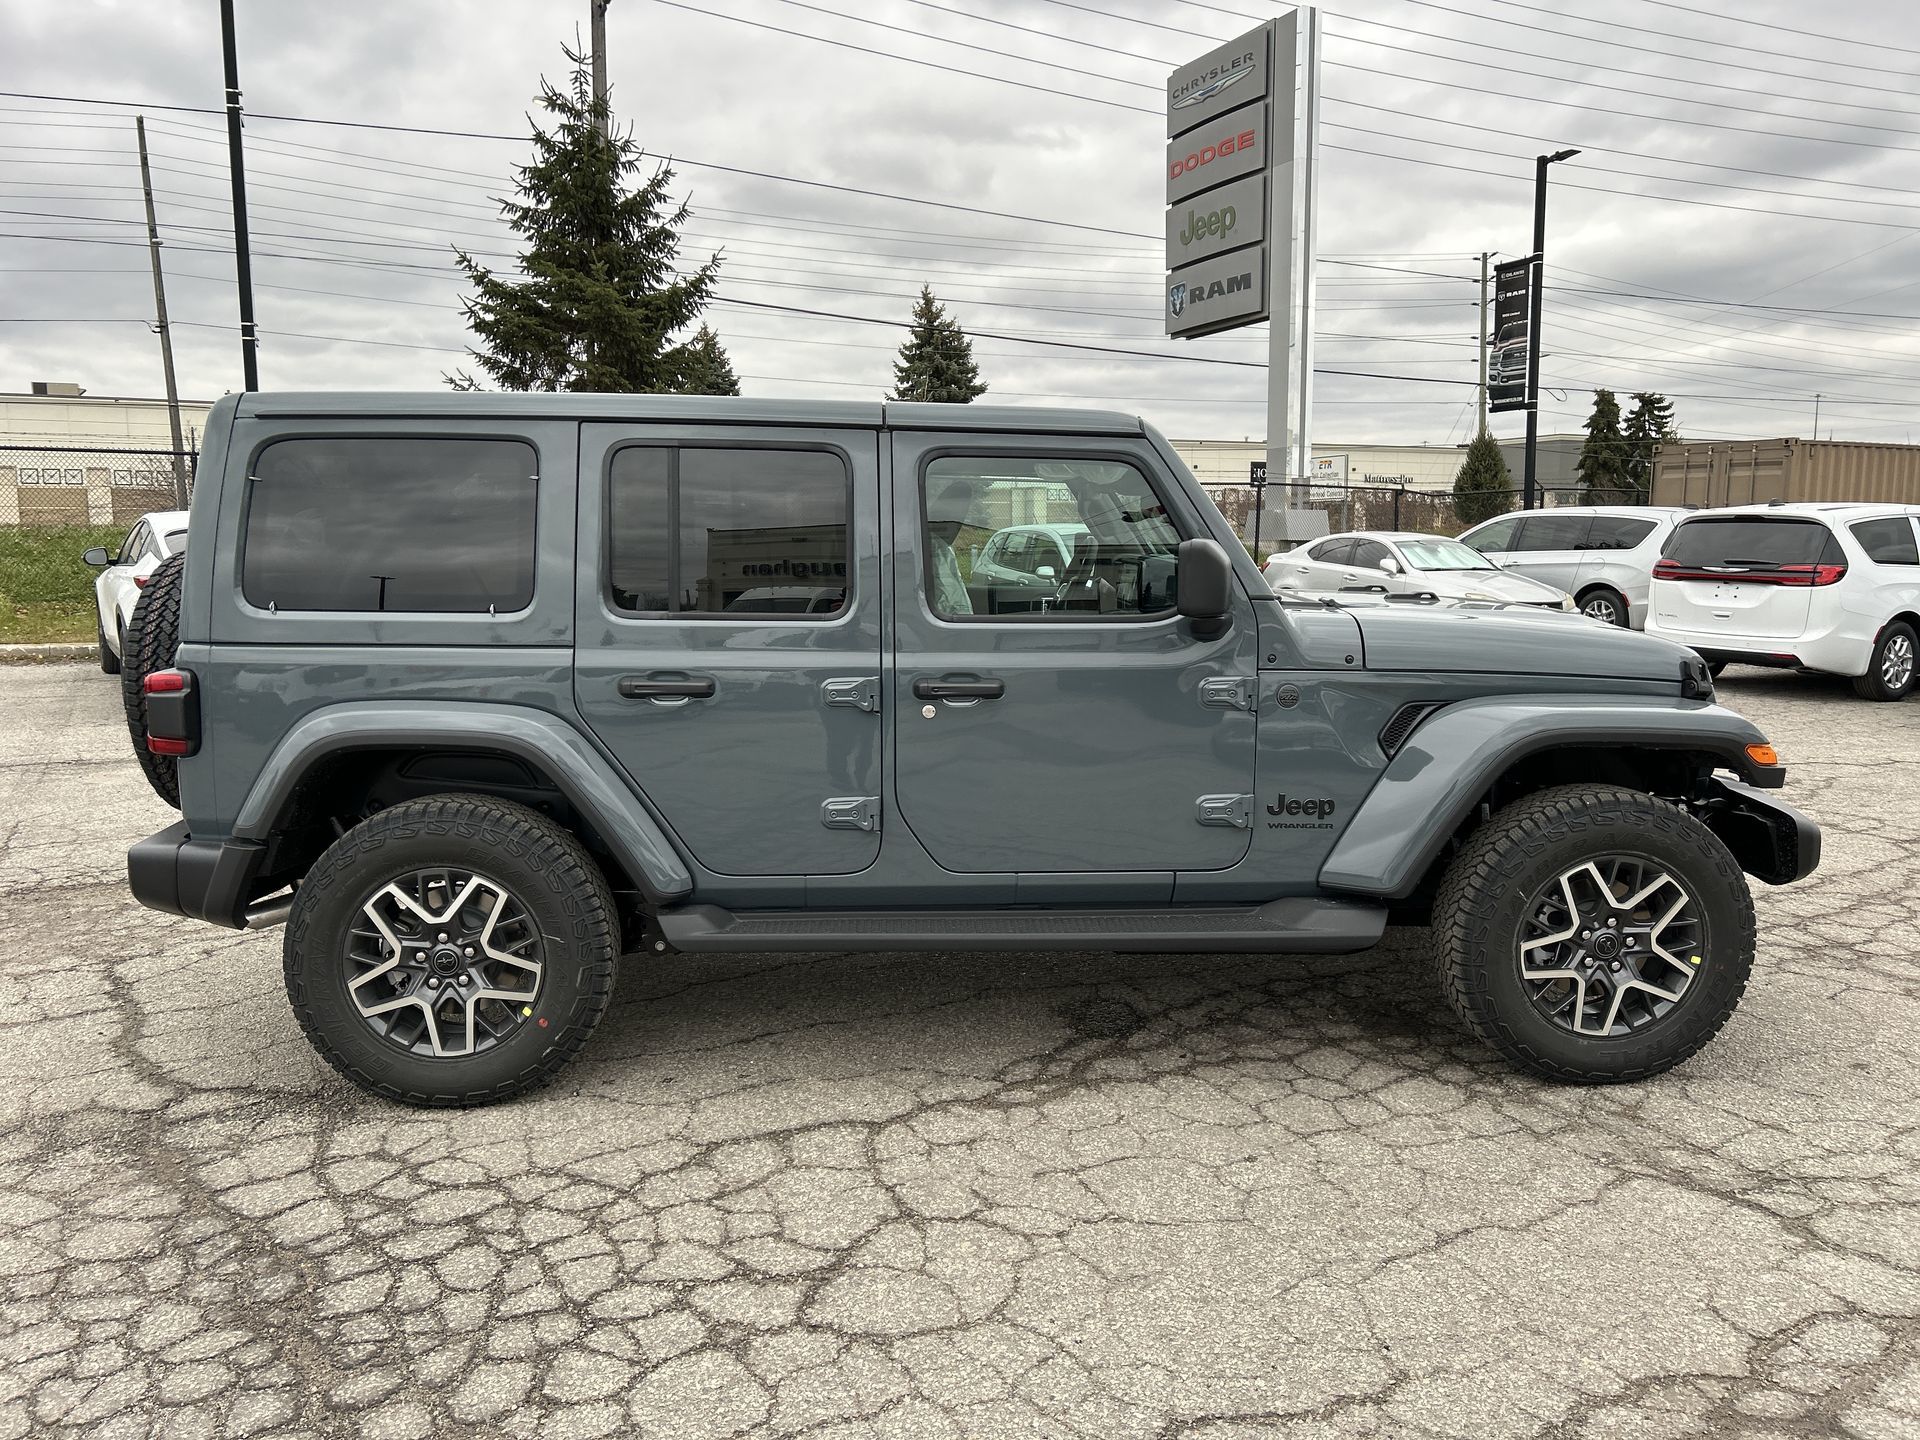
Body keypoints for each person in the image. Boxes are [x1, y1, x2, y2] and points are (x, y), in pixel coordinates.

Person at [926, 477, 979, 616]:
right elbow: (954, 602)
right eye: (957, 518)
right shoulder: (935, 549)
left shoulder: (941, 547)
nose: (959, 526)